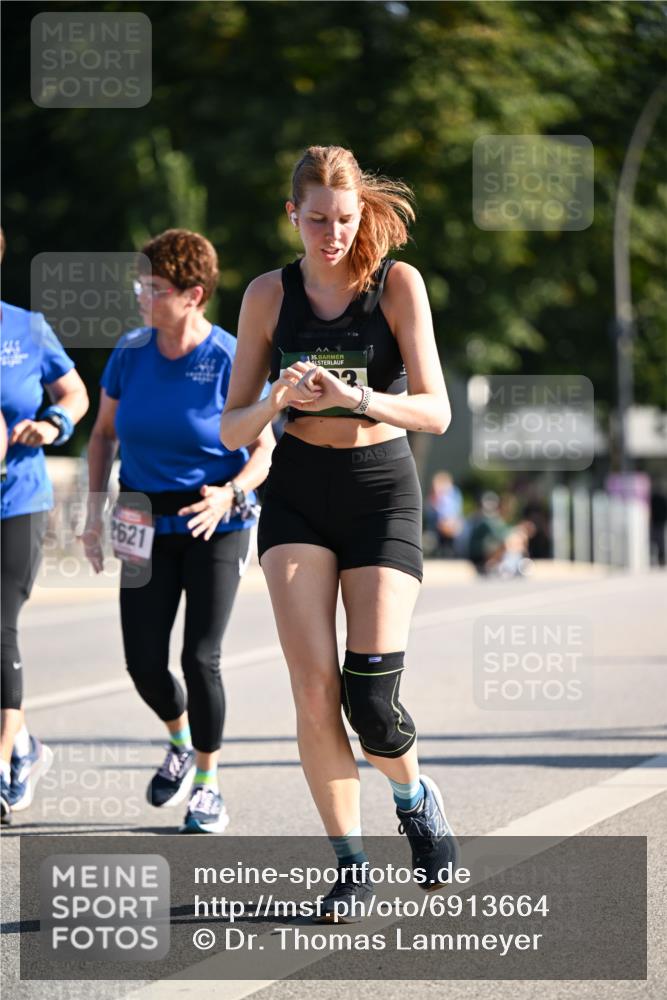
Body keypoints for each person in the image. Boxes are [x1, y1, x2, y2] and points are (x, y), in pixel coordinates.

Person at [221, 145, 458, 919]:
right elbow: (231, 428)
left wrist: (358, 398)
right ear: (292, 213)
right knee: (313, 687)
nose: (331, 234)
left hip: (379, 489)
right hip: (294, 490)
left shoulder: (396, 284)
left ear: (361, 216)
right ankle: (351, 865)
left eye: (344, 219)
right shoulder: (265, 295)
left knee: (372, 698)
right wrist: (278, 400)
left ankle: (415, 797)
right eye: (316, 219)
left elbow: (434, 410)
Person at [81, 229, 274, 834]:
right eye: (140, 284)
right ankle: (179, 739)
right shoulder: (130, 352)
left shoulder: (227, 358)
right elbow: (104, 434)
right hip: (141, 516)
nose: (142, 295)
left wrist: (233, 492)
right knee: (142, 662)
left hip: (214, 518)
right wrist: (94, 511)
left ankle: (209, 783)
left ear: (193, 295)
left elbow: (264, 449)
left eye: (154, 287)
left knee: (200, 656)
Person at [1, 227, 89, 824]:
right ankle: (24, 746)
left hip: (18, 499)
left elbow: (75, 392)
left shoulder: (26, 329)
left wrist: (53, 422)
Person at [425, 470, 463, 557]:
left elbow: (455, 510)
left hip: (450, 523)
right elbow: (432, 510)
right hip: (439, 525)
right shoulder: (435, 496)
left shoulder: (453, 494)